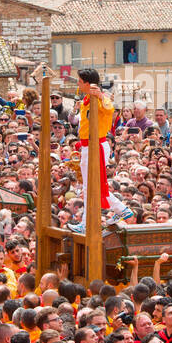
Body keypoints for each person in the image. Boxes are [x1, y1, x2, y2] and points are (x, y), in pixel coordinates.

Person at [68, 68, 133, 233]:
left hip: (96, 145)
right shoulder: (87, 99)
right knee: (90, 186)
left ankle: (86, 223)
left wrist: (101, 96)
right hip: (87, 145)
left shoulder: (99, 98)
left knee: (91, 186)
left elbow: (109, 108)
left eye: (80, 81)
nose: (78, 83)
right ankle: (121, 209)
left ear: (88, 83)